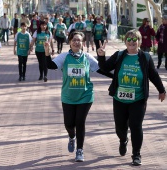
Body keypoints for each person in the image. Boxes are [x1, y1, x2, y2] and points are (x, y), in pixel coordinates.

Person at [97, 29, 166, 166]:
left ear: (139, 42)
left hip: (138, 99)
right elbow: (104, 68)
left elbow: (153, 75)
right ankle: (123, 140)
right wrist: (101, 56)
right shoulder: (119, 55)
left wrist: (161, 90)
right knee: (120, 127)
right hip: (119, 99)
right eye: (129, 39)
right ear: (125, 42)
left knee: (136, 126)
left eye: (135, 39)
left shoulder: (145, 57)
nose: (132, 42)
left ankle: (136, 154)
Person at [44, 31, 113, 162]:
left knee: (80, 122)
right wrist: (47, 52)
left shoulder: (87, 57)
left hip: (85, 96)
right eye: (74, 40)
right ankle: (72, 136)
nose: (76, 42)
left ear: (83, 43)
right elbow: (50, 65)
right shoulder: (64, 57)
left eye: (79, 40)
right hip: (68, 96)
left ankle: (80, 150)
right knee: (69, 124)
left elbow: (101, 69)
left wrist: (116, 77)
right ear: (70, 42)